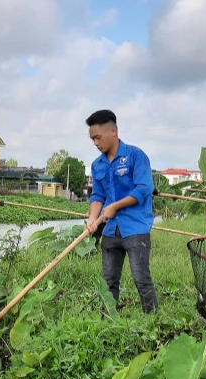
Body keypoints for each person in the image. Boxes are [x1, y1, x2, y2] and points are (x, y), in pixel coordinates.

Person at [84, 109, 158, 312]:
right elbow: (97, 195)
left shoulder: (135, 156)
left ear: (113, 131)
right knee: (109, 280)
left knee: (141, 278)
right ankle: (108, 319)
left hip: (135, 228)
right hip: (110, 230)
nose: (96, 143)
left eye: (98, 137)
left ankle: (153, 320)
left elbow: (144, 189)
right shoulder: (97, 165)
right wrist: (93, 218)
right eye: (92, 140)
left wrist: (115, 206)